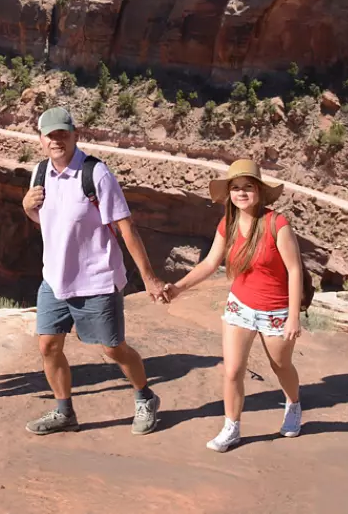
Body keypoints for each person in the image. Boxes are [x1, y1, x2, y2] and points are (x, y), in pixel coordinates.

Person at [21, 107, 169, 436]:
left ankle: (145, 397)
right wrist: (27, 208)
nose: (57, 140)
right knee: (48, 347)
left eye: (63, 134)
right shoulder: (40, 173)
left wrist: (149, 278)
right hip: (55, 278)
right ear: (40, 140)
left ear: (76, 135)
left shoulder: (96, 174)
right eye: (50, 135)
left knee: (112, 348)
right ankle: (65, 412)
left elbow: (126, 228)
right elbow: (46, 220)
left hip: (96, 280)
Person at [165, 159, 304, 452]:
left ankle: (293, 404)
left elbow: (294, 270)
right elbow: (210, 263)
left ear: (259, 191)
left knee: (280, 365)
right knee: (232, 371)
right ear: (229, 193)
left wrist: (293, 317)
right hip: (241, 306)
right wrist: (178, 288)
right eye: (236, 188)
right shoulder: (227, 224)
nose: (241, 193)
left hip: (275, 311)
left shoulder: (277, 223)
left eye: (248, 187)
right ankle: (231, 428)